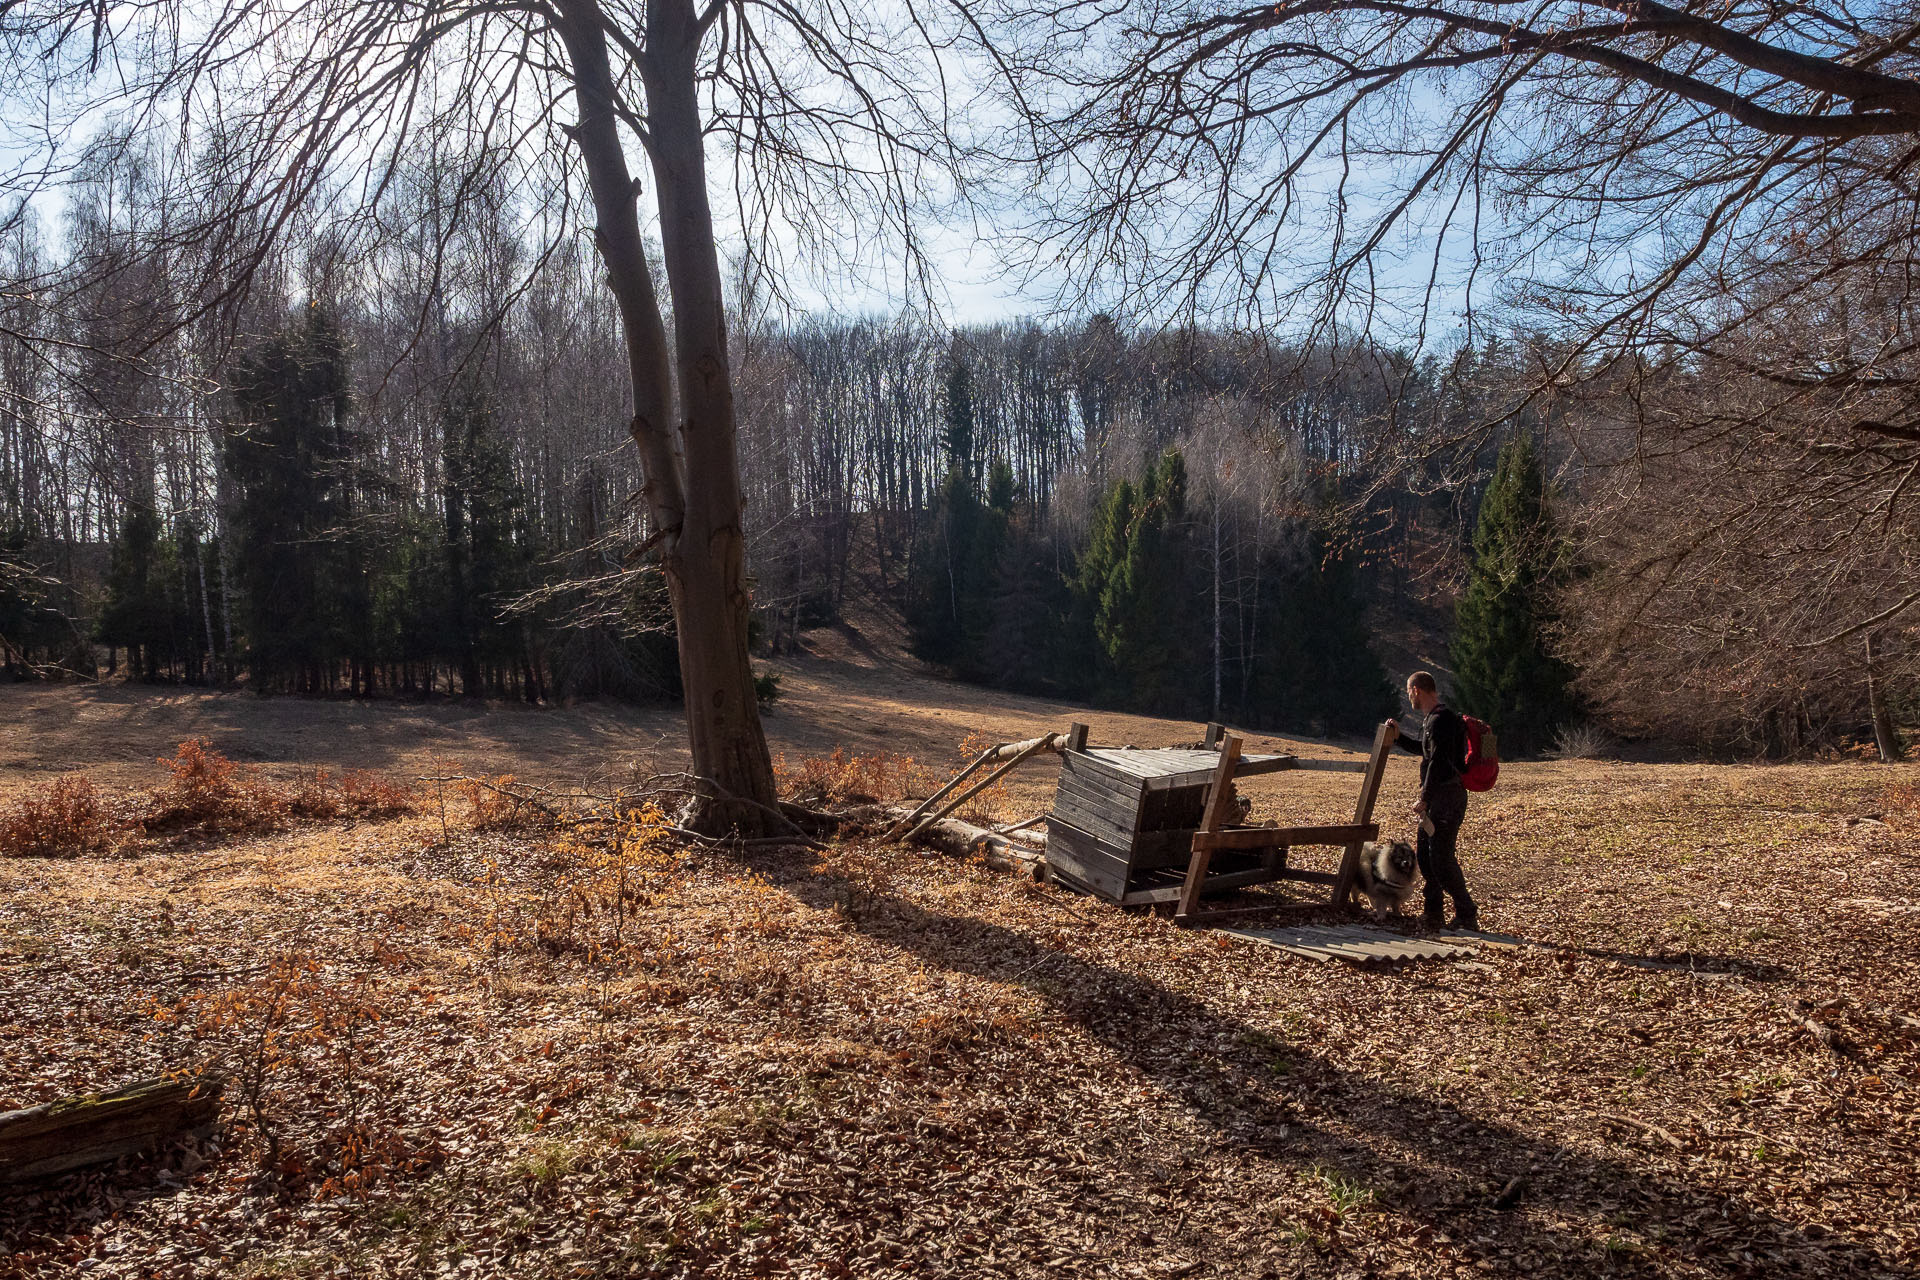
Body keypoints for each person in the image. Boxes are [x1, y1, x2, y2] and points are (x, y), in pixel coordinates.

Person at [1383, 671, 1478, 931]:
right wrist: (1399, 737)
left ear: (1416, 690)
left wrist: (1424, 797)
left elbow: (1437, 764)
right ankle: (1434, 912)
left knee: (1442, 859)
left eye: (1408, 691)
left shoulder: (1442, 721)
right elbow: (1425, 752)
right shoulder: (1433, 720)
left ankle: (1467, 913)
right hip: (1438, 799)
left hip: (1447, 798)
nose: (1408, 696)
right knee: (1425, 857)